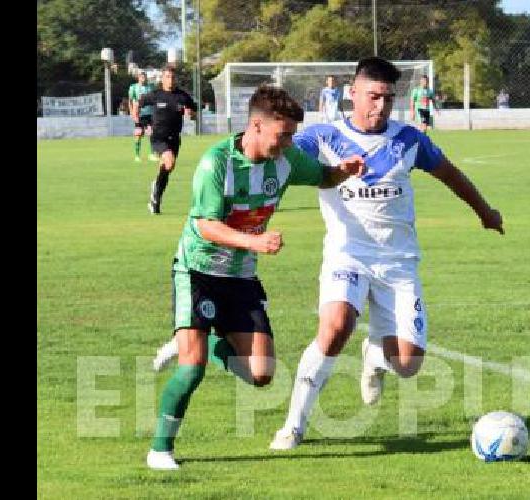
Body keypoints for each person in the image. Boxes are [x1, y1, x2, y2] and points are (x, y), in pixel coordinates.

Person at [268, 56, 503, 450]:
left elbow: (451, 175)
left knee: (408, 366)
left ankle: (375, 354)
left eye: (388, 99)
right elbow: (283, 152)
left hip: (399, 263)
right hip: (348, 254)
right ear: (353, 93)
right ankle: (293, 425)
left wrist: (484, 211)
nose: (381, 106)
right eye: (373, 96)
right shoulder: (323, 138)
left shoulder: (408, 140)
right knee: (335, 327)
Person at [145, 84, 366, 471]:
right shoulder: (217, 163)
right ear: (257, 126)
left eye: (292, 135)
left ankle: (207, 345)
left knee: (262, 375)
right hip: (198, 271)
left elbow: (322, 177)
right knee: (191, 366)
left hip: (241, 277)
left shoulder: (287, 160)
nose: (289, 143)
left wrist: (341, 172)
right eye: (283, 135)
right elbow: (207, 225)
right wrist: (255, 241)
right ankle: (160, 450)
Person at [135, 65, 197, 215]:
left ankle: (155, 199)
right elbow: (137, 104)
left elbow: (194, 113)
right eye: (167, 77)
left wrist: (191, 114)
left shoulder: (183, 96)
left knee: (167, 169)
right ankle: (155, 188)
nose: (171, 80)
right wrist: (139, 124)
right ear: (162, 78)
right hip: (158, 137)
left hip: (174, 138)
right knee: (170, 161)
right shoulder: (155, 94)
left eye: (173, 77)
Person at [128, 71, 157, 162]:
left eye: (144, 76)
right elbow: (130, 101)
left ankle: (152, 154)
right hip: (139, 114)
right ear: (138, 77)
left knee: (151, 133)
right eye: (141, 76)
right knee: (138, 133)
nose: (143, 78)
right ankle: (137, 155)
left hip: (150, 114)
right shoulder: (133, 87)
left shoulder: (151, 87)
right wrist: (132, 112)